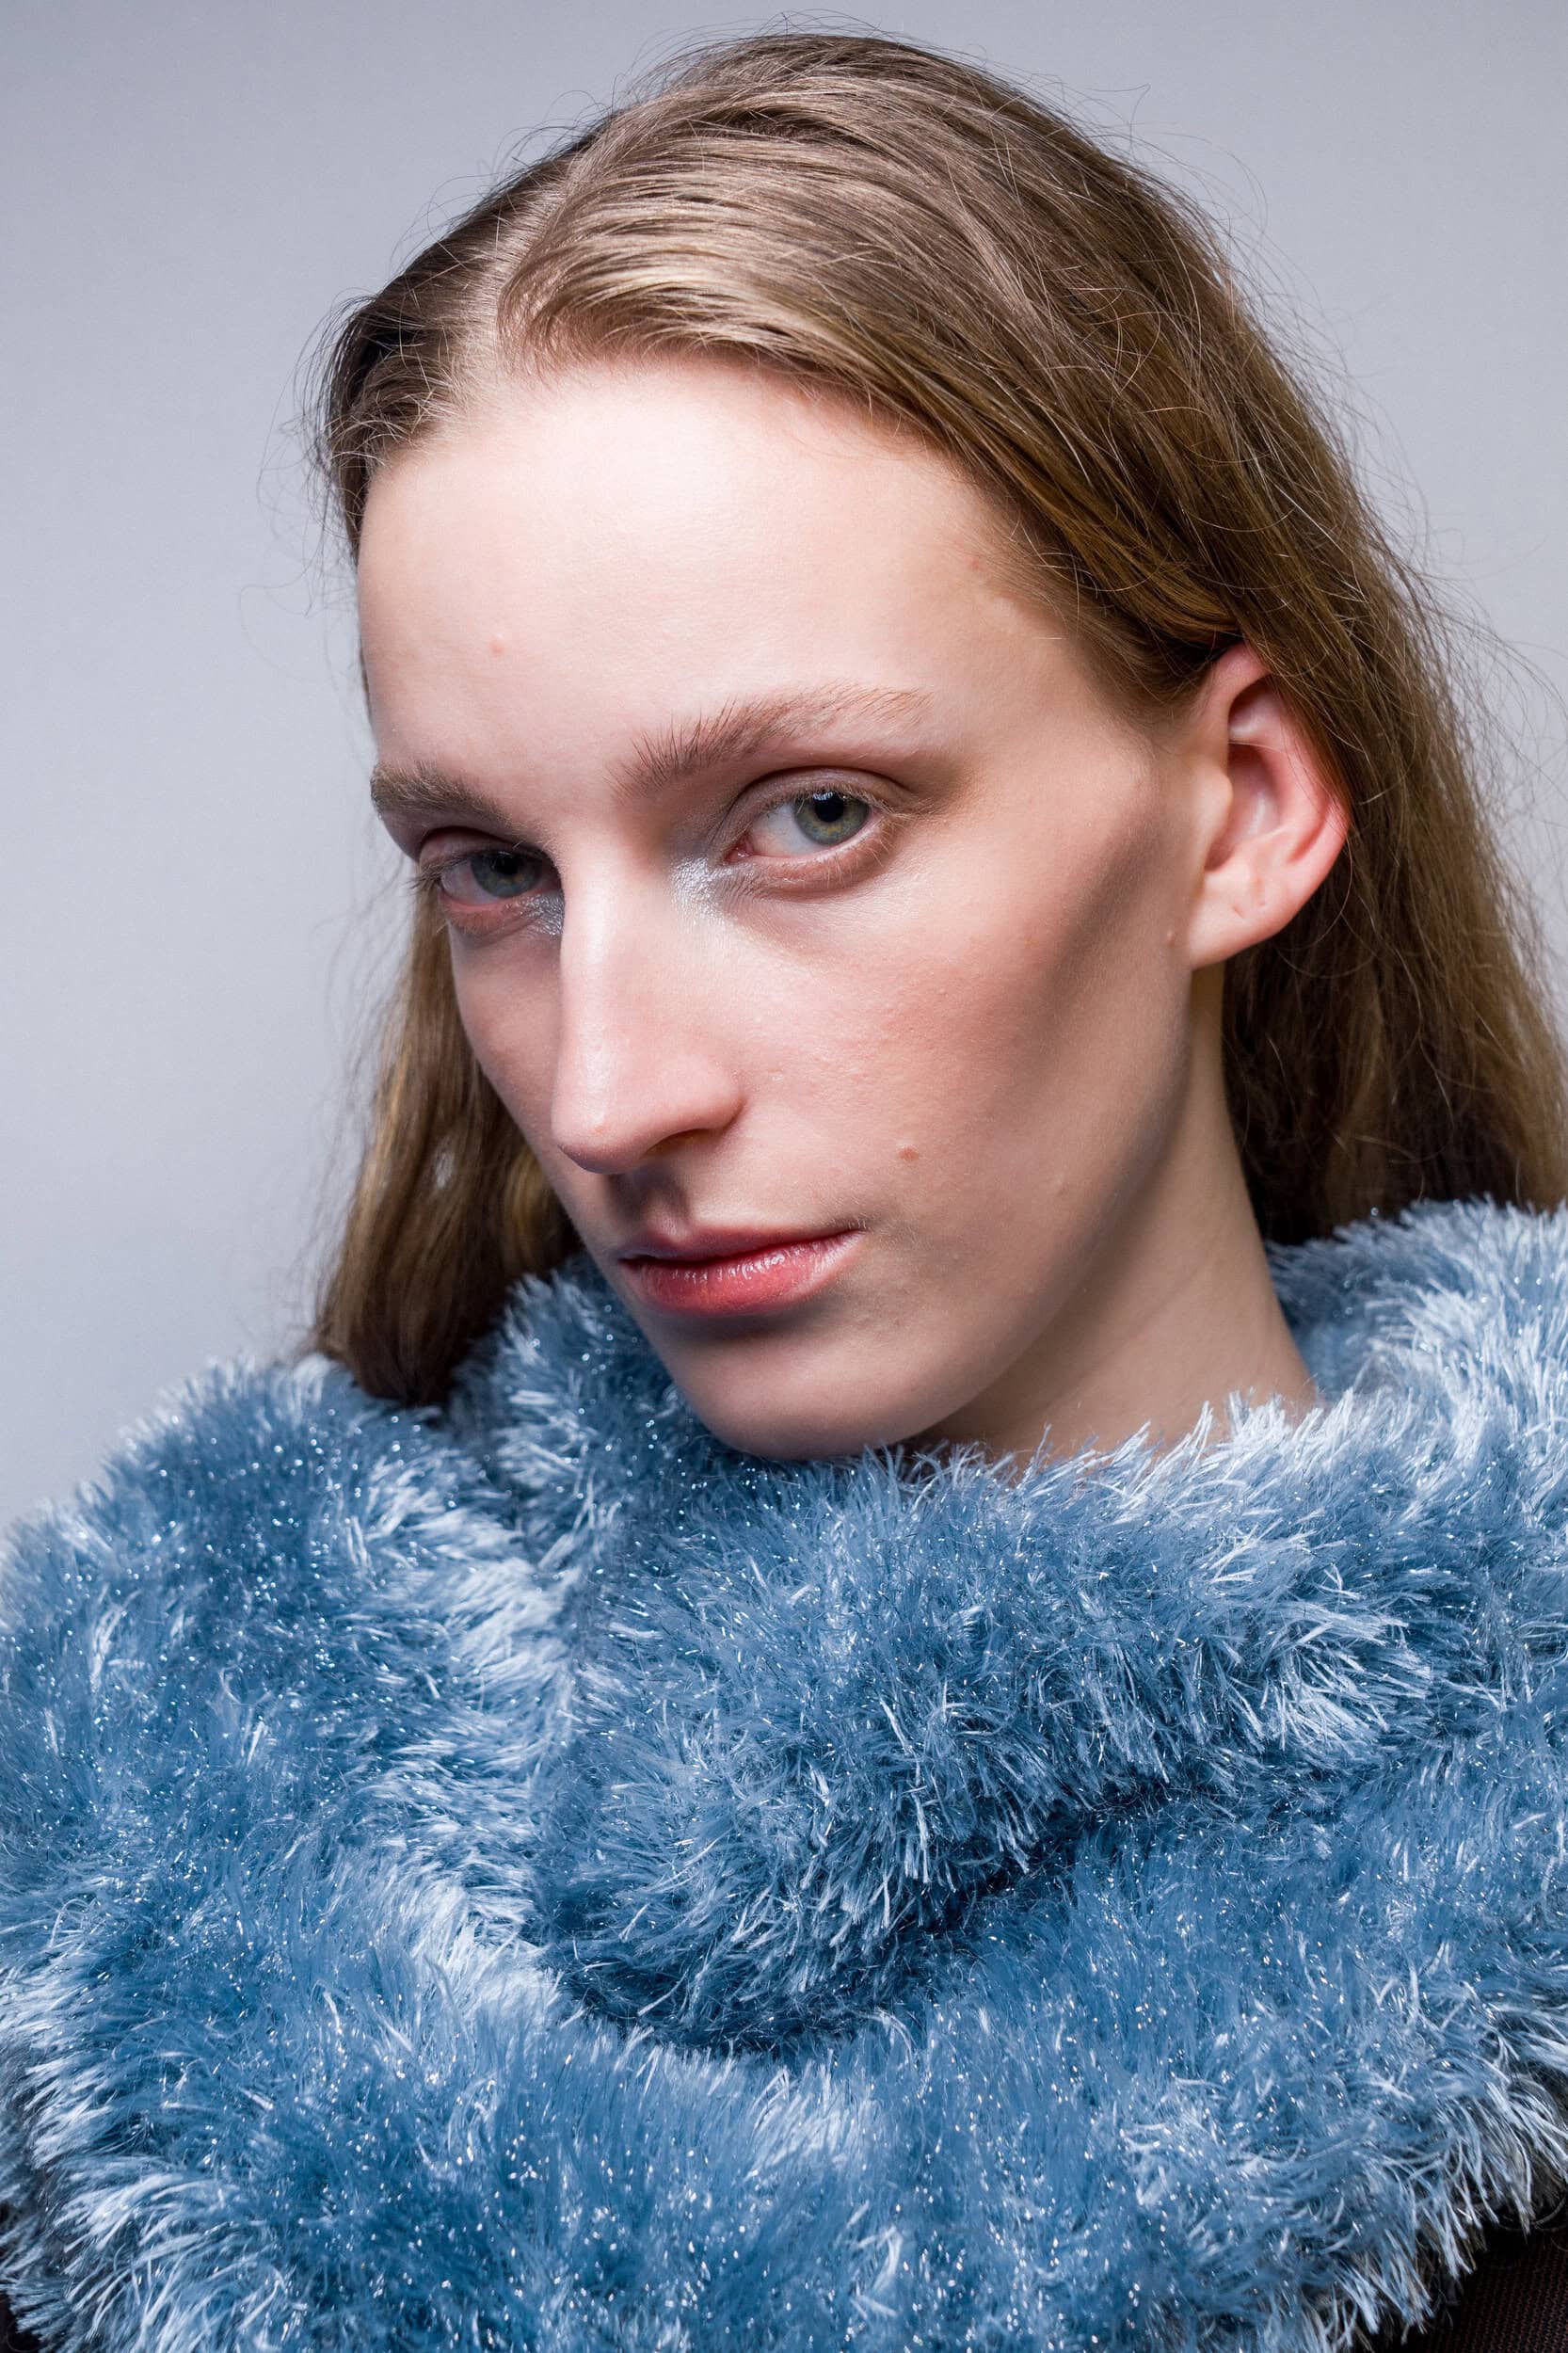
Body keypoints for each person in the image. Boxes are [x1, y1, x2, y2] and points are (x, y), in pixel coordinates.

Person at [3, 26, 1567, 2350]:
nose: (606, 1085)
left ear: (1236, 806)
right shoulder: (118, 1864)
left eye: (810, 814)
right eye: (493, 864)